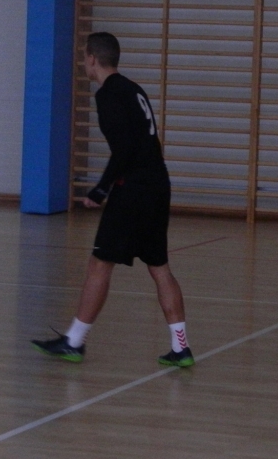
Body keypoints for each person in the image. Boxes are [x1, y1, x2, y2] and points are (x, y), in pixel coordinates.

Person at [32, 31, 193, 367]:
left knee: (99, 263)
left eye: (84, 57)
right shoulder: (134, 89)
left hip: (133, 189)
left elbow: (124, 149)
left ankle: (74, 342)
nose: (83, 63)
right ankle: (181, 347)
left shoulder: (108, 94)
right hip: (157, 184)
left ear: (92, 58)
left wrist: (101, 188)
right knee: (159, 267)